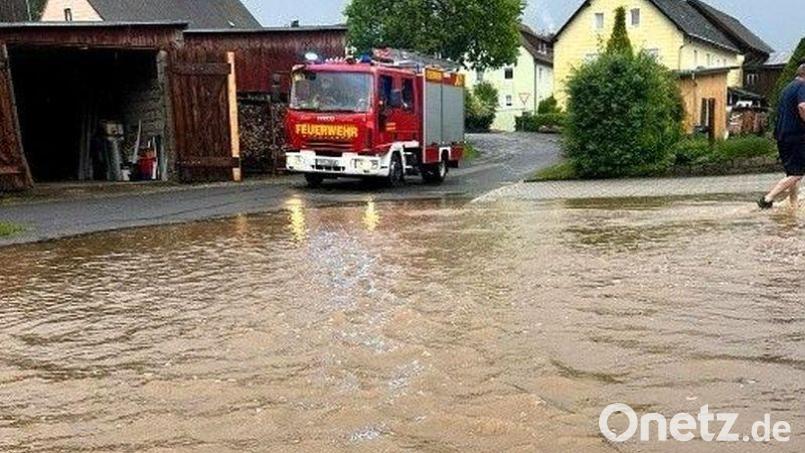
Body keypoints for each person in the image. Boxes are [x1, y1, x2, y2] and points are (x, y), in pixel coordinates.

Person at [758, 63, 805, 209]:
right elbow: (803, 106)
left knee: (792, 173)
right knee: (798, 173)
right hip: (797, 136)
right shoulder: (803, 86)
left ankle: (793, 204)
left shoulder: (787, 88)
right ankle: (767, 199)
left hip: (782, 135)